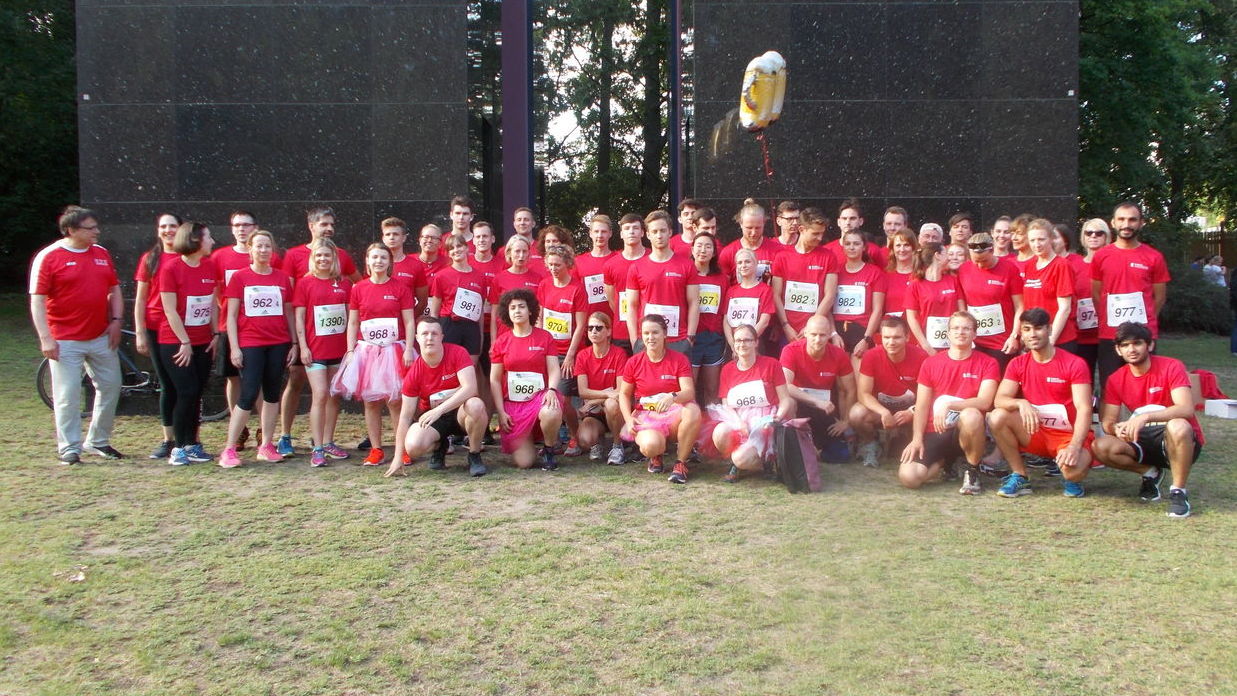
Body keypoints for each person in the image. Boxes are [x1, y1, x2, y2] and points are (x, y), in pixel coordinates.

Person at [29, 206, 125, 464]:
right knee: (67, 395)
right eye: (90, 228)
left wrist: (116, 321)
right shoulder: (49, 256)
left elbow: (114, 290)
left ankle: (98, 441)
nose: (97, 231)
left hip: (100, 336)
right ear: (71, 230)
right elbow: (37, 301)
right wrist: (46, 338)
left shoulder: (101, 254)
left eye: (96, 227)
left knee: (111, 386)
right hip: (64, 339)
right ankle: (69, 448)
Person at [1091, 322, 1204, 518]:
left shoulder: (1171, 366)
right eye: (1125, 345)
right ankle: (1151, 473)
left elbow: (1185, 408)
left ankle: (1178, 492)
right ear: (1118, 350)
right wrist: (1116, 428)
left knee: (1178, 425)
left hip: (1179, 439)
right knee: (1100, 445)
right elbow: (1107, 421)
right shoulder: (1116, 379)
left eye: (1137, 343)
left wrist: (1146, 416)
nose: (1131, 349)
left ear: (1149, 345)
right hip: (1142, 440)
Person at [277, 206, 360, 457]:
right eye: (324, 224)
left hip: (335, 346)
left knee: (330, 393)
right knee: (299, 384)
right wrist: (296, 342)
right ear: (311, 225)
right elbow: (289, 301)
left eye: (332, 224)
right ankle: (287, 436)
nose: (329, 228)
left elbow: (359, 288)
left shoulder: (342, 262)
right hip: (307, 342)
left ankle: (326, 441)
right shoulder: (293, 257)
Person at [989, 308, 1094, 499]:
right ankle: (1020, 475)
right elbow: (999, 399)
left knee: (1072, 471)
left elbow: (1084, 408)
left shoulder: (1074, 364)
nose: (1032, 334)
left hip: (1067, 435)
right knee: (997, 417)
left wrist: (1075, 446)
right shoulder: (1018, 364)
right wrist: (1021, 403)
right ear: (1021, 332)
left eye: (1038, 328)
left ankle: (1071, 477)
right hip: (1036, 431)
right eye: (1027, 329)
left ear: (1050, 329)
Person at [218, 229, 297, 468]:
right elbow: (230, 315)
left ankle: (266, 445)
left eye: (267, 246)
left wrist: (294, 342)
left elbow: (289, 312)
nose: (263, 250)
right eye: (259, 246)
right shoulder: (240, 277)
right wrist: (234, 347)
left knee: (272, 394)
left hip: (279, 343)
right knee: (248, 393)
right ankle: (229, 449)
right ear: (250, 250)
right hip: (250, 343)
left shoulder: (282, 278)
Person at [899, 311, 999, 493]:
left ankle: (972, 470)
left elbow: (984, 402)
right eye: (956, 328)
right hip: (935, 430)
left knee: (971, 414)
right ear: (948, 333)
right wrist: (916, 439)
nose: (961, 332)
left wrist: (950, 405)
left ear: (974, 334)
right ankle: (946, 462)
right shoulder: (931, 363)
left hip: (967, 430)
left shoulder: (988, 363)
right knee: (909, 478)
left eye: (966, 328)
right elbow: (921, 406)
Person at [335, 243, 416, 466]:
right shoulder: (358, 288)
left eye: (383, 257)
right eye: (374, 257)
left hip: (393, 350)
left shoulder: (400, 288)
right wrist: (350, 350)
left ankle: (403, 448)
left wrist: (409, 348)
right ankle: (376, 449)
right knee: (371, 403)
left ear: (389, 262)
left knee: (395, 401)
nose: (378, 261)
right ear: (368, 261)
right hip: (367, 351)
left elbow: (409, 321)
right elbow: (352, 322)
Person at [388, 318, 489, 478]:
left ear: (442, 336)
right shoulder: (413, 373)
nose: (429, 337)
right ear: (417, 338)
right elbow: (405, 417)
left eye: (434, 333)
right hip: (435, 420)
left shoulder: (458, 353)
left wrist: (440, 409)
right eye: (425, 333)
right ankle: (439, 446)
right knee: (413, 446)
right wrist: (397, 457)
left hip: (461, 414)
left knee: (476, 405)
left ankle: (474, 454)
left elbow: (471, 388)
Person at [155, 222, 219, 466]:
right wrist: (184, 341)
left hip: (204, 340)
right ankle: (178, 447)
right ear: (195, 240)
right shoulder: (171, 268)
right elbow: (169, 310)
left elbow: (211, 304)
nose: (212, 241)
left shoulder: (209, 266)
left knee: (197, 393)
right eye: (209, 237)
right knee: (186, 391)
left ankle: (192, 443)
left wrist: (216, 334)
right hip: (176, 342)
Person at [212, 210, 278, 450]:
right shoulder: (220, 257)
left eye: (246, 225)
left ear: (255, 227)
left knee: (261, 384)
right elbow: (217, 292)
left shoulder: (272, 260)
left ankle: (264, 433)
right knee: (235, 380)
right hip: (231, 330)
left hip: (267, 335)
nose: (241, 229)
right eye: (236, 225)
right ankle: (238, 433)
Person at [1091, 202, 1170, 390]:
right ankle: (1109, 421)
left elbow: (1159, 297)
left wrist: (1146, 321)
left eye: (1132, 219)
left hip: (1143, 332)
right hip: (1110, 333)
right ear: (1113, 223)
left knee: (1146, 386)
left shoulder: (1154, 257)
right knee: (1110, 386)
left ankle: (1145, 419)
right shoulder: (1101, 256)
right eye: (1121, 219)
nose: (1126, 224)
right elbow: (1096, 294)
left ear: (1141, 223)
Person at [618, 314, 702, 483]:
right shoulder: (634, 362)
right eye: (646, 333)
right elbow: (624, 394)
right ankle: (656, 456)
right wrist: (628, 419)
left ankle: (680, 463)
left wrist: (672, 397)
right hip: (647, 416)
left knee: (693, 410)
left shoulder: (679, 359)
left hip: (673, 415)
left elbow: (689, 392)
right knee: (651, 446)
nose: (650, 337)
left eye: (655, 332)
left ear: (665, 334)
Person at [705, 323, 794, 483]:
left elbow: (786, 400)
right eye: (738, 340)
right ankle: (736, 462)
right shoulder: (728, 369)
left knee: (742, 459)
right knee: (719, 433)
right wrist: (739, 424)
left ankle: (766, 459)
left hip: (766, 419)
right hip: (740, 417)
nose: (742, 344)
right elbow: (727, 404)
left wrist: (777, 418)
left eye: (747, 340)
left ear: (756, 342)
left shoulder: (772, 364)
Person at [292, 238, 353, 467]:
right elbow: (299, 318)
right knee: (319, 395)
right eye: (318, 256)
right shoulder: (305, 284)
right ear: (313, 259)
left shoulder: (344, 284)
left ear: (334, 259)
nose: (323, 259)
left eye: (327, 255)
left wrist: (350, 348)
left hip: (338, 350)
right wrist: (303, 346)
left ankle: (328, 441)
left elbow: (350, 318)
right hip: (314, 351)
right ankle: (317, 448)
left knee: (334, 395)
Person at [489, 289, 563, 469]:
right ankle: (527, 439)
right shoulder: (501, 341)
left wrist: (552, 390)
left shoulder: (545, 337)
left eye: (521, 306)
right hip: (513, 403)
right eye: (512, 307)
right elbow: (495, 380)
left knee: (551, 411)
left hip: (540, 398)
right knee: (524, 463)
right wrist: (500, 411)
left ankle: (549, 449)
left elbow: (554, 369)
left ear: (530, 310)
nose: (517, 311)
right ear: (507, 312)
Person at [133, 212, 182, 458]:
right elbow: (141, 298)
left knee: (186, 387)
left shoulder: (189, 257)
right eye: (163, 226)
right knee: (167, 385)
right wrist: (140, 332)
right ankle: (168, 439)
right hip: (156, 328)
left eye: (173, 226)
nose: (168, 230)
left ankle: (188, 437)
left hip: (185, 330)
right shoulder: (150, 259)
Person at [849, 317, 927, 467]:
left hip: (911, 410)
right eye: (887, 337)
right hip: (881, 409)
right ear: (881, 337)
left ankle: (911, 441)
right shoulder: (871, 356)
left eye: (897, 337)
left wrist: (912, 412)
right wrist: (884, 412)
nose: (891, 342)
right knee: (856, 414)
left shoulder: (921, 357)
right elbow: (863, 394)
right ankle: (870, 443)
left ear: (907, 337)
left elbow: (929, 396)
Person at [537, 244, 589, 455]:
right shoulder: (544, 285)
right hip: (548, 349)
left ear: (567, 264)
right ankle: (554, 440)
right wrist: (540, 346)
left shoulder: (577, 288)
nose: (553, 268)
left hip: (568, 352)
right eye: (549, 265)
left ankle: (575, 437)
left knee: (565, 399)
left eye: (557, 264)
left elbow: (580, 326)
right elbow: (540, 317)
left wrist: (570, 355)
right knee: (549, 398)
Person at [780, 315, 855, 462]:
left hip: (824, 409)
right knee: (789, 403)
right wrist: (815, 401)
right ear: (806, 332)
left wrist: (846, 421)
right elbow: (786, 386)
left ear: (829, 335)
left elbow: (850, 389)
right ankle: (797, 447)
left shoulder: (839, 354)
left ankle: (814, 453)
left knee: (841, 456)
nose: (817, 339)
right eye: (813, 334)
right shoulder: (790, 351)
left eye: (822, 335)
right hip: (799, 406)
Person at [625, 210, 699, 354]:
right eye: (655, 231)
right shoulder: (636, 267)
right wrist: (635, 339)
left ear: (670, 232)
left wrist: (689, 337)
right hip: (647, 339)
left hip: (679, 339)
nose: (659, 235)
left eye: (663, 231)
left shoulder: (687, 265)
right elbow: (631, 306)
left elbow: (694, 302)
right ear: (648, 234)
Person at [956, 232, 1023, 374]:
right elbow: (961, 301)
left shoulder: (1009, 269)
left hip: (1001, 342)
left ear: (992, 250)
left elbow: (1020, 306)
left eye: (984, 261)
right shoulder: (964, 269)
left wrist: (1014, 336)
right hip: (974, 340)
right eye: (976, 261)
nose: (980, 265)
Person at [771, 206, 838, 344]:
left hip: (815, 331)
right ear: (801, 229)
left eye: (821, 233)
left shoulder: (829, 256)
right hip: (788, 329)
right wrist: (785, 325)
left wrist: (811, 325)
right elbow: (776, 294)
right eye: (815, 234)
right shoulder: (782, 257)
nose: (819, 238)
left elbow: (830, 295)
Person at [574, 311, 630, 464]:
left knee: (612, 404)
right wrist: (606, 394)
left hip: (612, 409)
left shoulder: (619, 354)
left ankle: (617, 446)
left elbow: (620, 391)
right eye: (590, 328)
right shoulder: (582, 356)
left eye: (598, 328)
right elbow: (582, 391)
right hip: (594, 414)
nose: (593, 331)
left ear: (609, 331)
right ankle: (597, 443)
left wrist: (593, 401)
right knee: (585, 440)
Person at [428, 234, 490, 360]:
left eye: (459, 246)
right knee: (449, 365)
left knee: (471, 366)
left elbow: (480, 312)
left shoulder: (480, 277)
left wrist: (481, 337)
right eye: (452, 248)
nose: (456, 250)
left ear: (467, 248)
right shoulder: (441, 276)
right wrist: (434, 334)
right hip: (449, 324)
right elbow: (434, 312)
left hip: (471, 327)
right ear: (449, 254)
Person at [1022, 218, 1077, 352]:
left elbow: (1065, 308)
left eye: (1041, 239)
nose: (1037, 244)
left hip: (1059, 339)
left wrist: (1050, 340)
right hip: (1035, 339)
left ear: (1051, 239)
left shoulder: (1061, 265)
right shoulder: (1029, 265)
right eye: (1032, 240)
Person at [687, 232, 729, 406]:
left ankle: (713, 429)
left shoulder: (723, 279)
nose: (703, 250)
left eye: (708, 246)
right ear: (692, 249)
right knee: (691, 389)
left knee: (712, 389)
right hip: (691, 338)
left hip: (714, 339)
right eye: (699, 245)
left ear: (714, 253)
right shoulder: (686, 274)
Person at [1058, 222, 1104, 376]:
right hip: (1082, 335)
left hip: (1107, 333)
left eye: (1099, 233)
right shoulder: (1074, 264)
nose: (1093, 236)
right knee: (1084, 378)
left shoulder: (1112, 262)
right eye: (1089, 233)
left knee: (1111, 382)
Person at [832, 228, 887, 360]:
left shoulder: (875, 273)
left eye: (856, 244)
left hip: (862, 330)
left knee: (859, 377)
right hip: (837, 330)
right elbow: (827, 304)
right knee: (840, 379)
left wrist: (866, 339)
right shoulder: (835, 271)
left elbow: (877, 310)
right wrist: (833, 333)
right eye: (848, 244)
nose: (852, 247)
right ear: (843, 247)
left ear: (864, 247)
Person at [905, 244, 965, 355]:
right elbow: (911, 318)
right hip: (928, 343)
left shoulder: (953, 280)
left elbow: (962, 312)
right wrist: (925, 345)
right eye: (946, 253)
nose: (950, 257)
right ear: (937, 255)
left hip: (953, 342)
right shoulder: (915, 285)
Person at [602, 213, 648, 352]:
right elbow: (612, 301)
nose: (631, 232)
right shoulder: (610, 265)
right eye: (627, 228)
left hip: (648, 330)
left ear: (642, 233)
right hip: (621, 332)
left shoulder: (652, 258)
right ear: (621, 234)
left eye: (635, 228)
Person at [490, 235, 545, 337]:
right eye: (517, 251)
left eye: (524, 251)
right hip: (504, 336)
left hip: (530, 335)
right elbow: (494, 314)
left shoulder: (538, 279)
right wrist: (493, 341)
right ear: (509, 253)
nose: (521, 255)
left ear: (529, 254)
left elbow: (539, 312)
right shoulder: (499, 279)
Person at [723, 248, 776, 352]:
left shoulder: (765, 290)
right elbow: (726, 321)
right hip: (734, 345)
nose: (743, 265)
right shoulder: (731, 291)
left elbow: (764, 321)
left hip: (755, 344)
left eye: (747, 261)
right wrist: (733, 343)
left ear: (756, 264)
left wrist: (747, 341)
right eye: (739, 263)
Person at [718, 199, 779, 282]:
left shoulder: (777, 251)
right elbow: (724, 285)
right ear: (741, 224)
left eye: (758, 228)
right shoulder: (728, 252)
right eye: (749, 228)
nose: (753, 233)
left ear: (764, 223)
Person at [573, 215, 616, 317]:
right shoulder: (578, 262)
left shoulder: (618, 259)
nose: (600, 235)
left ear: (610, 233)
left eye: (604, 232)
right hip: (589, 323)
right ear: (590, 233)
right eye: (596, 231)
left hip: (614, 320)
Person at [824, 198, 881, 266]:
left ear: (860, 221)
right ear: (839, 222)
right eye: (844, 219)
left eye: (852, 218)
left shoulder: (873, 250)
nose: (848, 222)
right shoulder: (827, 250)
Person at [881, 229, 917, 318]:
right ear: (892, 248)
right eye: (898, 245)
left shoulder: (921, 274)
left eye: (906, 245)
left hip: (916, 327)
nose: (902, 249)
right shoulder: (884, 276)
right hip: (890, 328)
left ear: (913, 247)